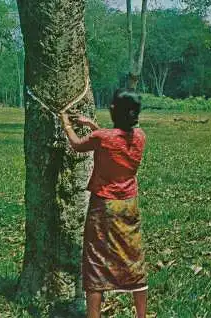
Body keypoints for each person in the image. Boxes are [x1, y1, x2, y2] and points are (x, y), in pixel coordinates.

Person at [60, 89, 147, 318]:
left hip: (104, 206)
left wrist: (66, 123)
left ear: (112, 110)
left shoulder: (103, 139)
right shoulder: (140, 136)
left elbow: (78, 145)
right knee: (133, 258)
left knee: (96, 260)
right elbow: (112, 142)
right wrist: (91, 124)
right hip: (129, 204)